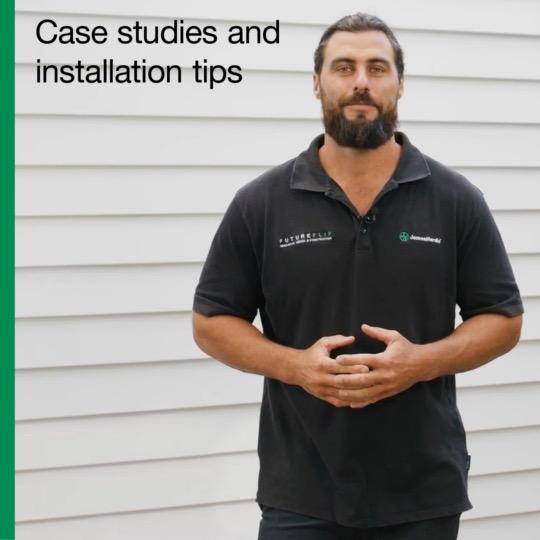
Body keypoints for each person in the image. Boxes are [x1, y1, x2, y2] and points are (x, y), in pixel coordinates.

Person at [192, 12, 524, 540]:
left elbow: (503, 319)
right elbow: (211, 321)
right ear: (317, 82)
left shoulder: (455, 199)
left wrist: (420, 363)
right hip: (300, 492)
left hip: (422, 492)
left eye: (377, 67)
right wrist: (296, 367)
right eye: (344, 67)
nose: (361, 82)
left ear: (400, 83)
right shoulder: (262, 203)